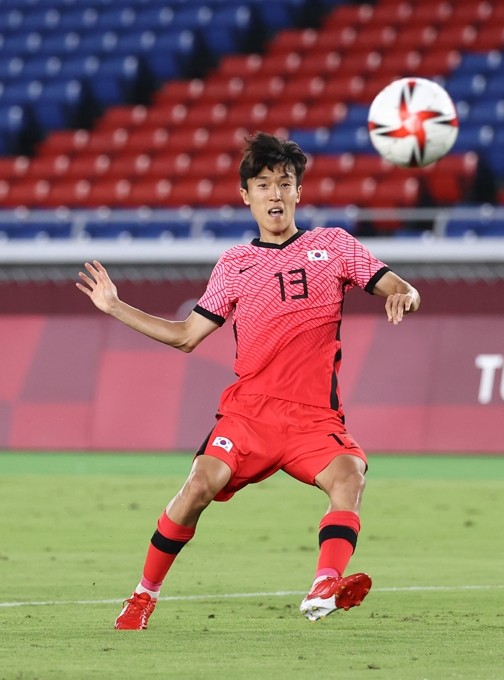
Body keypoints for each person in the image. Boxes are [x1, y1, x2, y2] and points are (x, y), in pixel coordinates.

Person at [76, 132, 421, 630]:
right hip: (250, 415)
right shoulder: (235, 265)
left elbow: (400, 286)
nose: (275, 194)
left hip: (312, 418)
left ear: (299, 192)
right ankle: (142, 596)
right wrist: (114, 307)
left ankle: (325, 584)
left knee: (350, 477)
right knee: (197, 487)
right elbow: (186, 336)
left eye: (284, 183)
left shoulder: (334, 245)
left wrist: (404, 296)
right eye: (263, 185)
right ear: (246, 196)